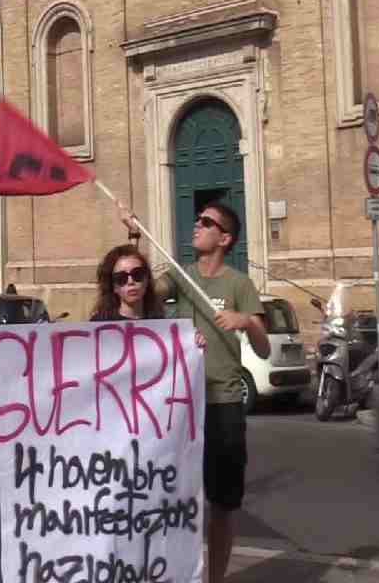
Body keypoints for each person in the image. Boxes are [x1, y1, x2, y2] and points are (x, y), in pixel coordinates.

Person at [120, 202, 269, 583]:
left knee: (222, 503)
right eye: (198, 219)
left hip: (223, 404)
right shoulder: (182, 276)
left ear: (224, 238)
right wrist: (134, 235)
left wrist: (246, 321)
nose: (196, 226)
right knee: (173, 498)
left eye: (206, 222)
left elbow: (265, 348)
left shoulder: (239, 284)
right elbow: (141, 289)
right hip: (181, 403)